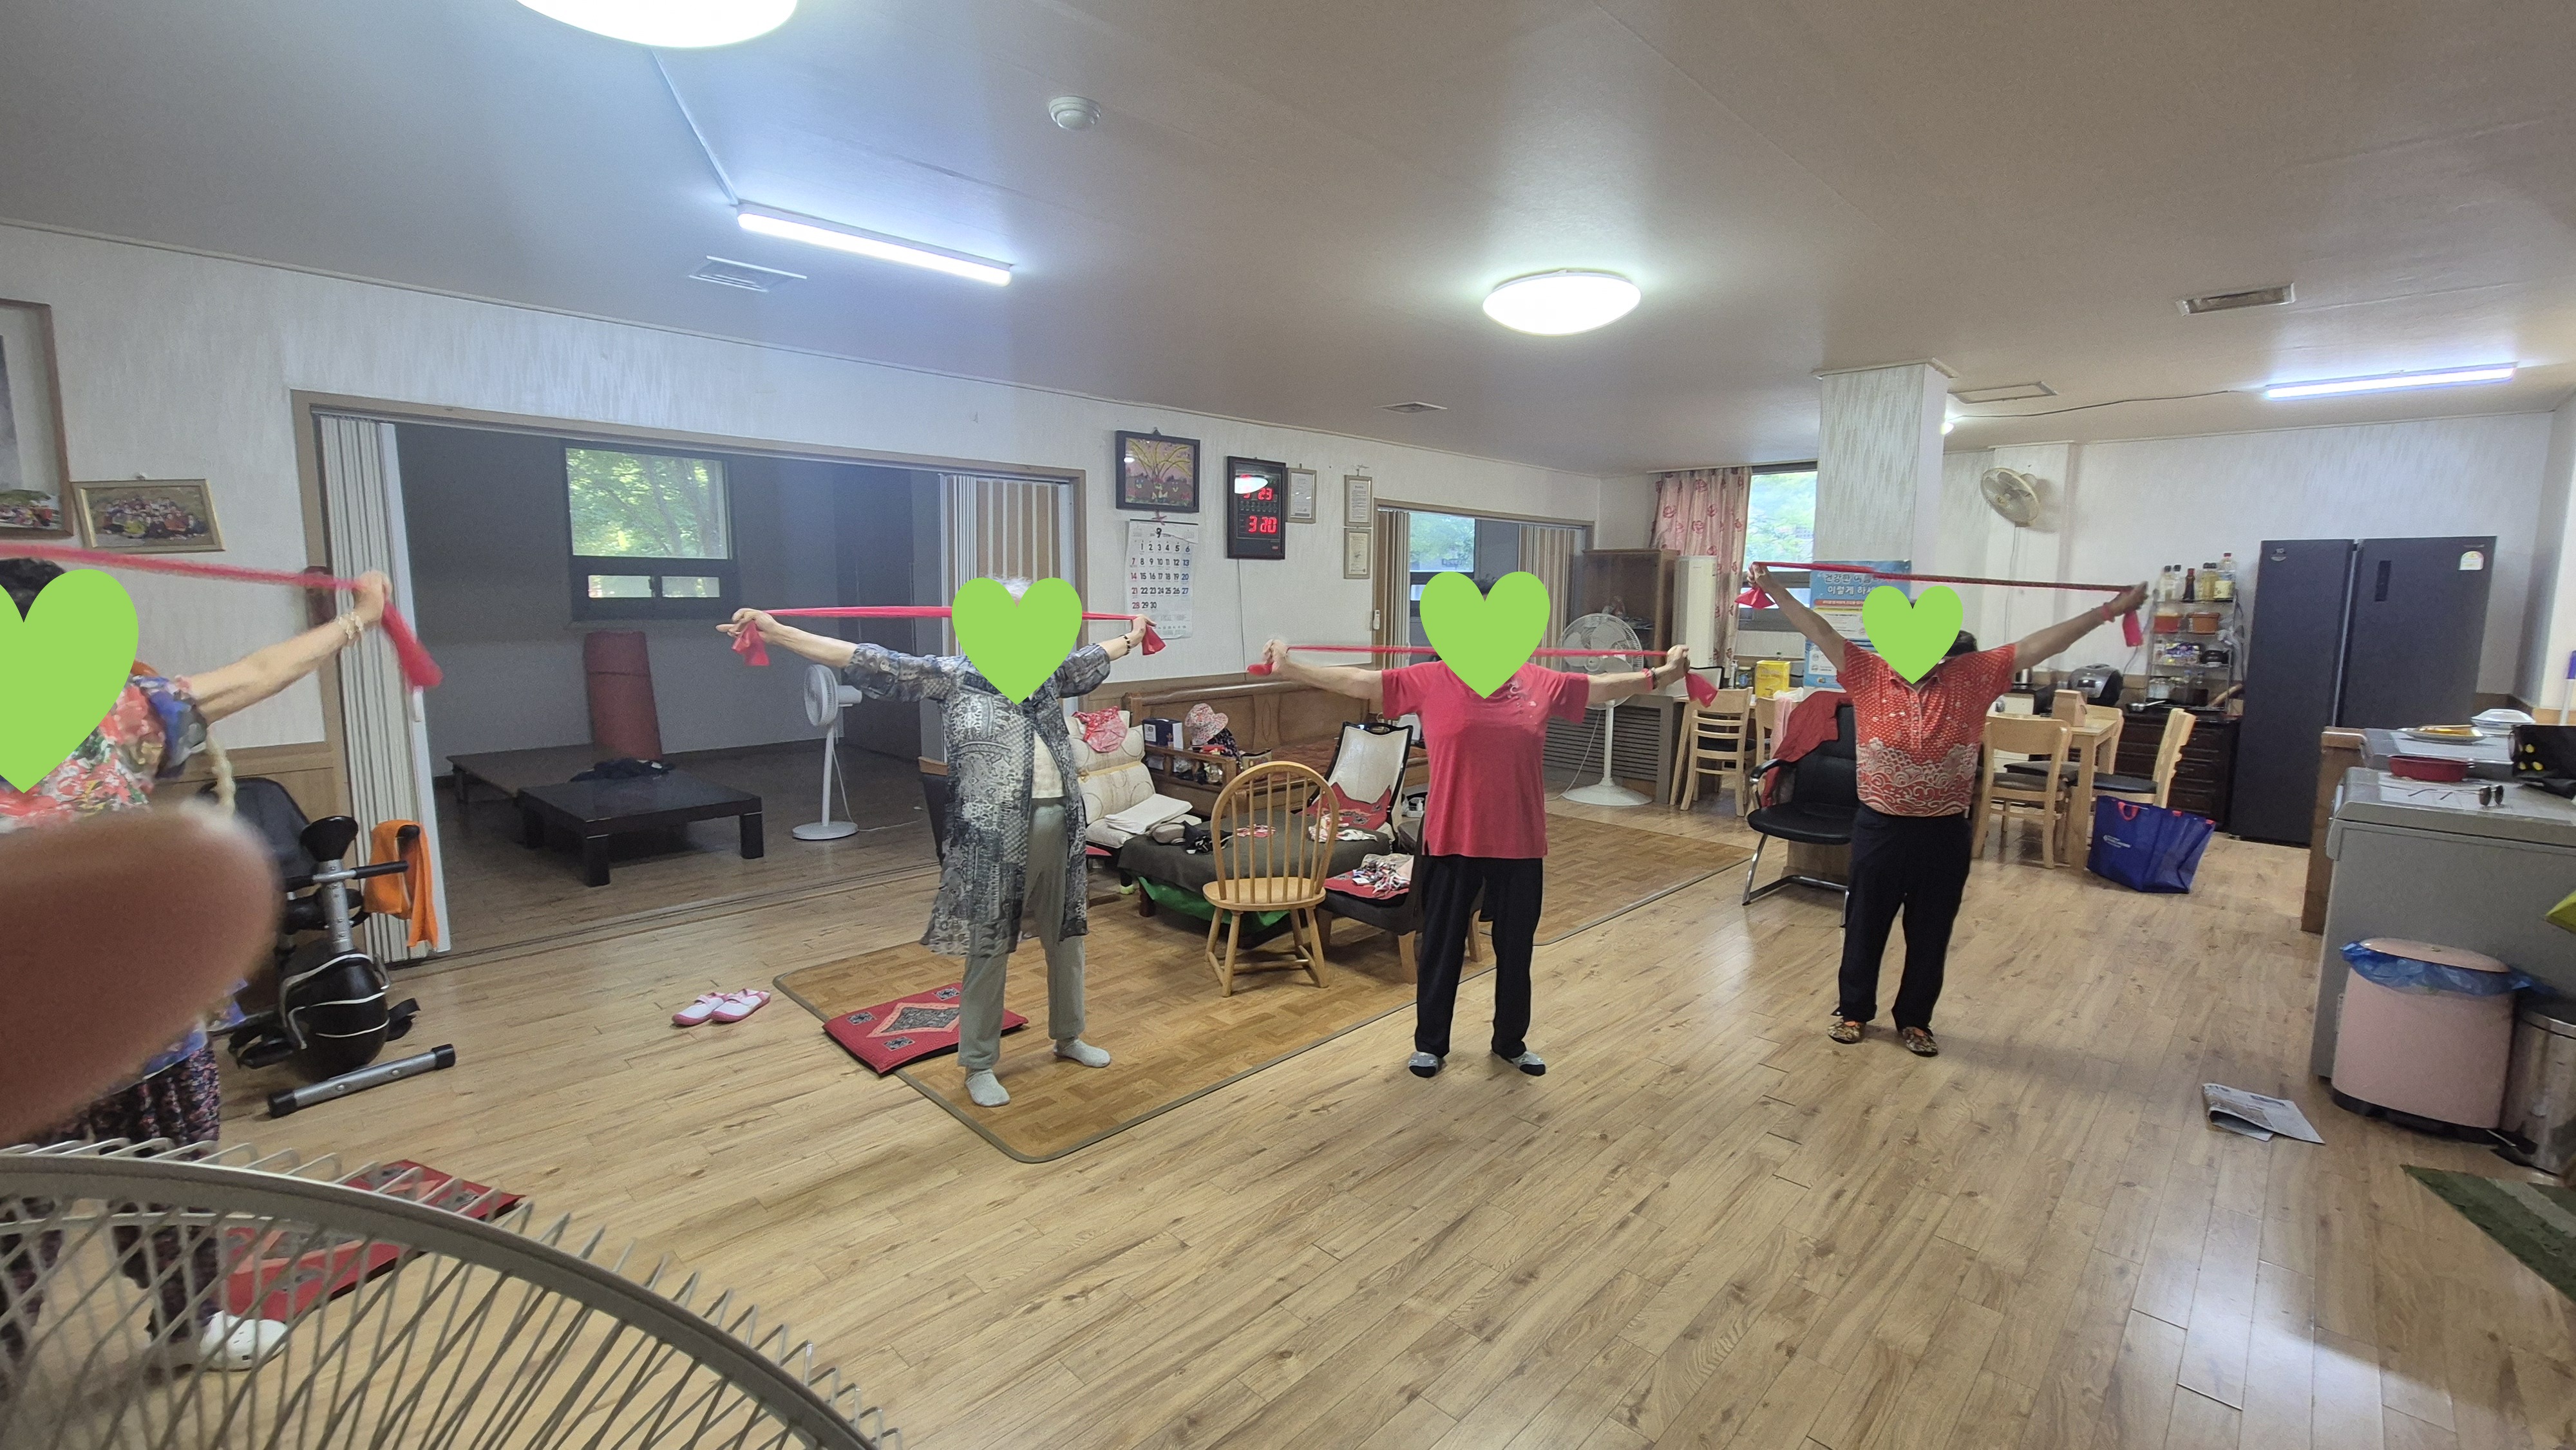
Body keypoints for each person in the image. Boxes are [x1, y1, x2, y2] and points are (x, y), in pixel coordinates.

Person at [0, 555, 393, 1372]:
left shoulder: (122, 712)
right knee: (12, 1234)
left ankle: (193, 1324)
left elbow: (257, 671)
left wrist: (358, 618)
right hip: (22, 1051)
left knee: (179, 1192)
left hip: (151, 1030)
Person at [722, 598, 1153, 1108]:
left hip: (1062, 824)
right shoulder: (951, 676)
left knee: (1067, 938)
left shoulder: (1047, 674)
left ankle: (1069, 1035)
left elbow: (1095, 655)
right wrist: (777, 633)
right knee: (989, 946)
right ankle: (979, 1063)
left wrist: (1134, 635)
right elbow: (865, 658)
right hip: (994, 836)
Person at [1749, 563, 2147, 1057]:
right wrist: (1773, 588)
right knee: (1865, 924)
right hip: (1879, 827)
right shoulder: (1867, 673)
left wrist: (2109, 611)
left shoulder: (1971, 677)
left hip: (1943, 833)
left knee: (1931, 931)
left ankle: (1916, 1021)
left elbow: (2038, 646)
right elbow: (1820, 630)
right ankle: (1853, 1011)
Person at [1260, 630, 1690, 1079]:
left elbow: (1602, 687)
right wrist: (1292, 668)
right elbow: (1360, 681)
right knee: (1440, 947)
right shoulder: (1432, 679)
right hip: (1451, 839)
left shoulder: (1539, 681)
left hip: (1519, 842)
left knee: (1516, 950)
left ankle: (1510, 1042)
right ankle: (1430, 1045)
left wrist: (1663, 674)